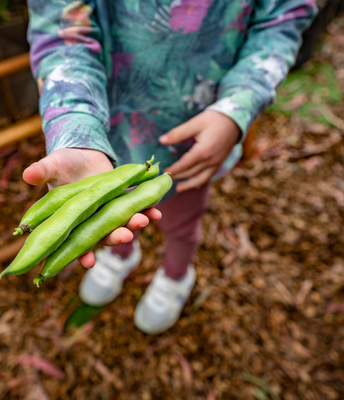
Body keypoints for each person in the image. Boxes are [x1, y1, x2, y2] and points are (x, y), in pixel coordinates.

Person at [23, 0, 317, 334]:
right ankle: (122, 256)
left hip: (194, 136)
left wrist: (238, 107)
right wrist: (76, 128)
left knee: (181, 221)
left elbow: (281, 20)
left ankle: (176, 274)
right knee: (110, 214)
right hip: (105, 128)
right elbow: (62, 31)